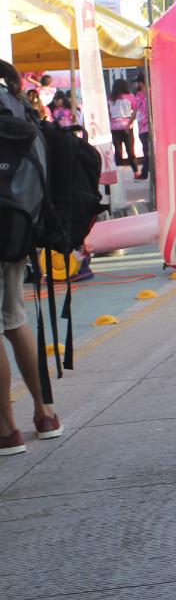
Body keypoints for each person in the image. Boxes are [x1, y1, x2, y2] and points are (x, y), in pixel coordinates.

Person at [0, 59, 63, 455]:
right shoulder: (16, 104)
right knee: (14, 318)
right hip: (17, 229)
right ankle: (45, 413)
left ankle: (7, 430)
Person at [108, 79, 136, 168]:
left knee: (117, 150)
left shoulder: (111, 98)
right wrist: (129, 123)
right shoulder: (131, 96)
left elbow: (109, 113)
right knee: (130, 150)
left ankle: (118, 171)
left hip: (114, 127)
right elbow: (135, 112)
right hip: (127, 127)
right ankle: (135, 171)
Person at [130, 76, 151, 178]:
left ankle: (144, 173)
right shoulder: (137, 95)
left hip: (150, 127)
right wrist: (130, 122)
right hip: (141, 127)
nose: (135, 85)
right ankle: (145, 172)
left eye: (136, 82)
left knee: (147, 151)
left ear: (141, 83)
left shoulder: (150, 92)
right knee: (146, 150)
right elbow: (135, 110)